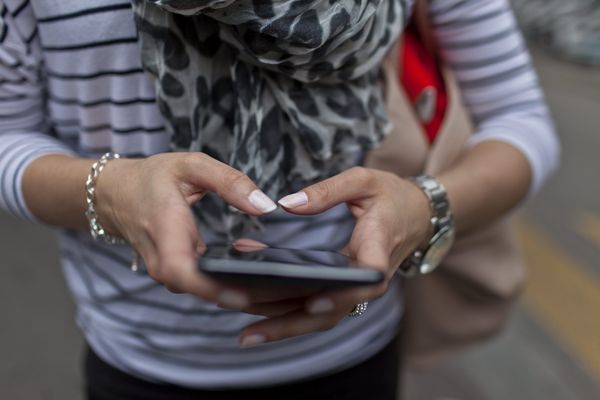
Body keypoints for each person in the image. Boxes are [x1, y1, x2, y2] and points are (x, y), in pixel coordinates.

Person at [0, 0, 559, 399]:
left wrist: (425, 205)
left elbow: (520, 120)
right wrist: (111, 191)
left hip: (358, 344)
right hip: (136, 363)